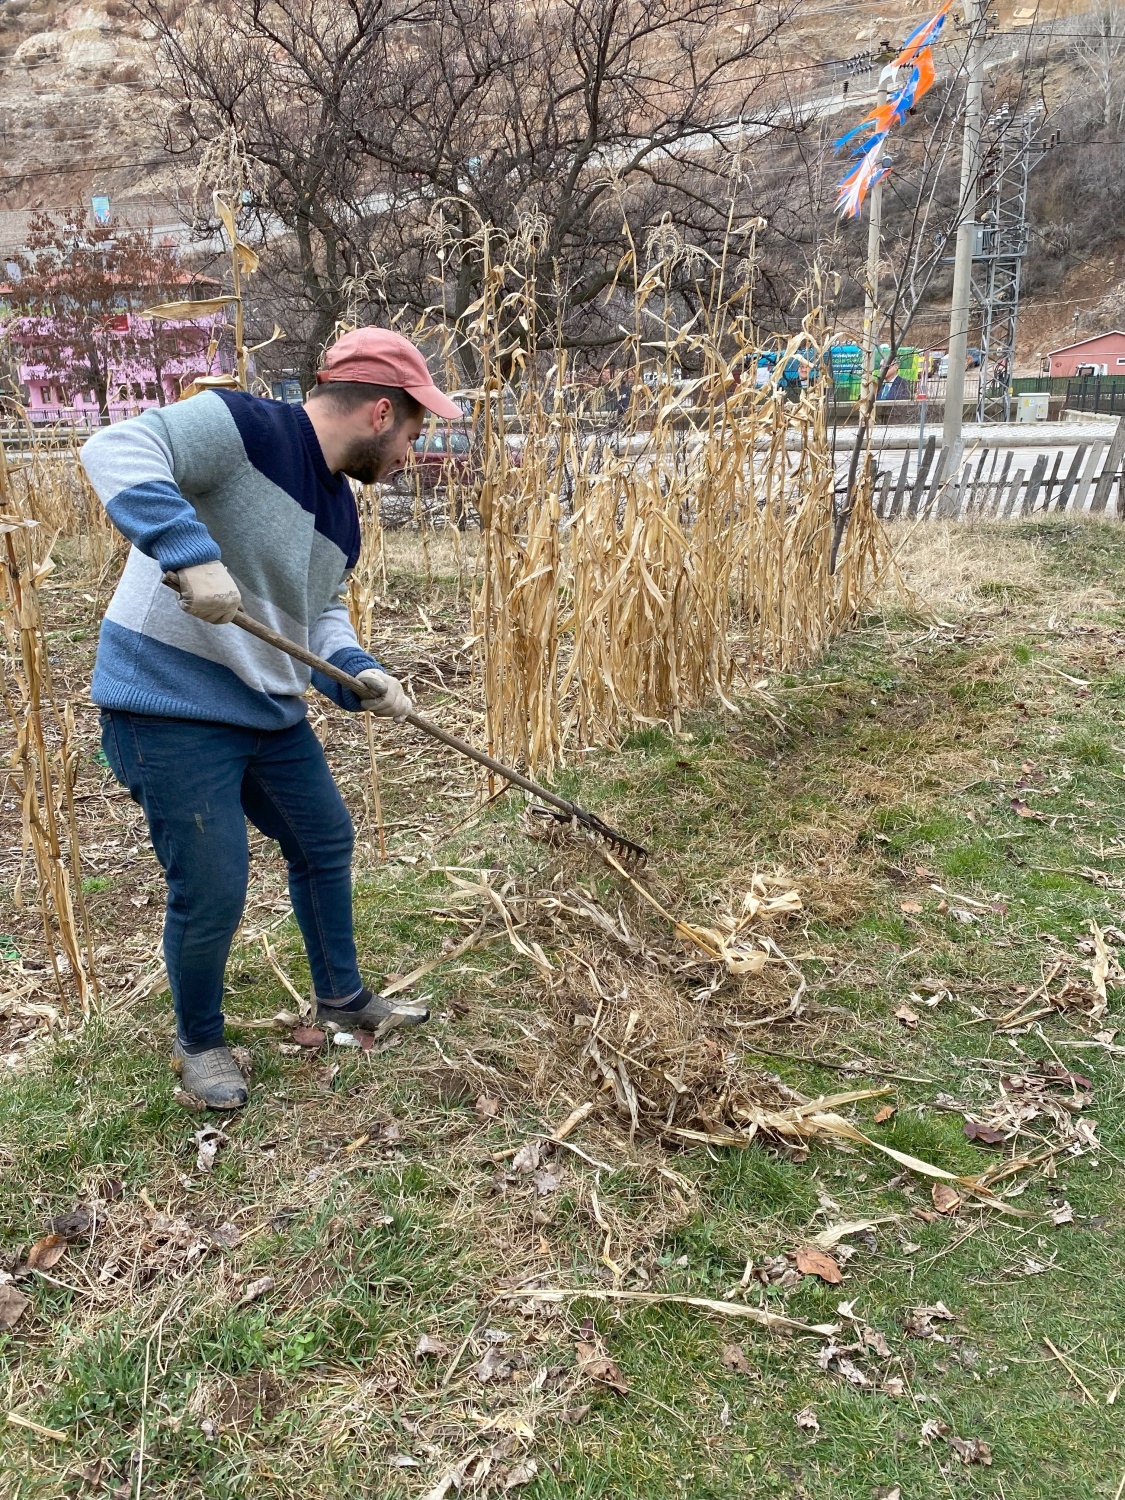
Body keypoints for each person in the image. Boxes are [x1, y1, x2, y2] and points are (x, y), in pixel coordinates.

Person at [81, 328, 462, 1108]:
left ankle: (343, 999)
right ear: (380, 412)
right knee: (214, 881)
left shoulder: (342, 517)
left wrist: (359, 671)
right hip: (168, 705)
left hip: (265, 708)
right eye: (413, 437)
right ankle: (200, 1044)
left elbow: (319, 613)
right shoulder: (241, 425)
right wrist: (187, 550)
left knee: (323, 839)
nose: (408, 458)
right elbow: (114, 447)